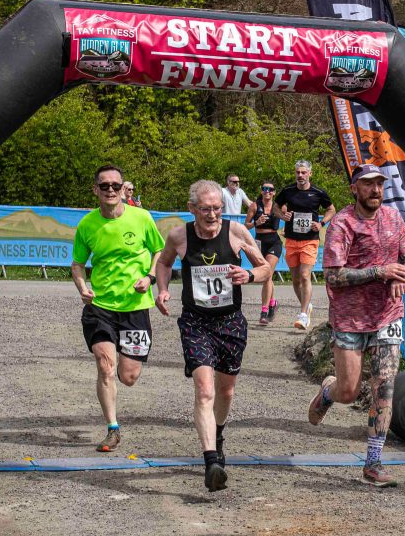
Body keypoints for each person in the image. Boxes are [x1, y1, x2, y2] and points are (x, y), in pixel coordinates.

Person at [155, 180, 271, 492]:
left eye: (217, 208)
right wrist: (162, 289)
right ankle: (211, 462)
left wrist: (249, 275)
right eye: (205, 209)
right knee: (204, 390)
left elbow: (265, 269)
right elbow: (164, 262)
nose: (212, 215)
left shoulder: (236, 232)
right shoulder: (179, 236)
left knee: (226, 391)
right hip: (195, 322)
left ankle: (217, 435)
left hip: (230, 322)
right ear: (192, 209)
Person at [307, 164, 405, 487]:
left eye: (379, 184)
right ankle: (328, 392)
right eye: (368, 185)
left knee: (384, 387)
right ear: (355, 189)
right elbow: (333, 276)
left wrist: (402, 275)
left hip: (388, 315)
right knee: (349, 390)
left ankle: (373, 463)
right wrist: (379, 272)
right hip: (350, 318)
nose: (375, 190)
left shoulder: (393, 218)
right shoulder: (343, 223)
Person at [71, 165, 164, 453]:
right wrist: (82, 287)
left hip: (135, 307)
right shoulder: (87, 224)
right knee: (105, 366)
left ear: (123, 189)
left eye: (115, 185)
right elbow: (77, 264)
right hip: (100, 306)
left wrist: (150, 278)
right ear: (95, 190)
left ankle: (123, 373)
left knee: (129, 377)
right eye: (104, 186)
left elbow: (160, 251)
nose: (110, 190)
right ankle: (112, 428)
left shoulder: (142, 218)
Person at [276, 160, 336, 330]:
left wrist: (321, 223)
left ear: (310, 173)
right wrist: (282, 216)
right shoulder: (287, 191)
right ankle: (306, 305)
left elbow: (331, 209)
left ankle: (303, 315)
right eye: (298, 172)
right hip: (291, 240)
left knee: (304, 275)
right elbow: (275, 207)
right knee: (295, 279)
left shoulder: (318, 192)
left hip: (310, 240)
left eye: (303, 172)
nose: (300, 175)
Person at [244, 180, 283, 325]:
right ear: (261, 191)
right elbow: (246, 225)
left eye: (270, 189)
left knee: (267, 276)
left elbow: (290, 217)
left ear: (274, 193)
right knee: (267, 277)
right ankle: (273, 302)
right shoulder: (255, 206)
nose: (267, 191)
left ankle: (264, 312)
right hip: (260, 242)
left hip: (274, 242)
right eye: (265, 189)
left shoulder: (279, 206)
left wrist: (287, 229)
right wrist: (256, 222)